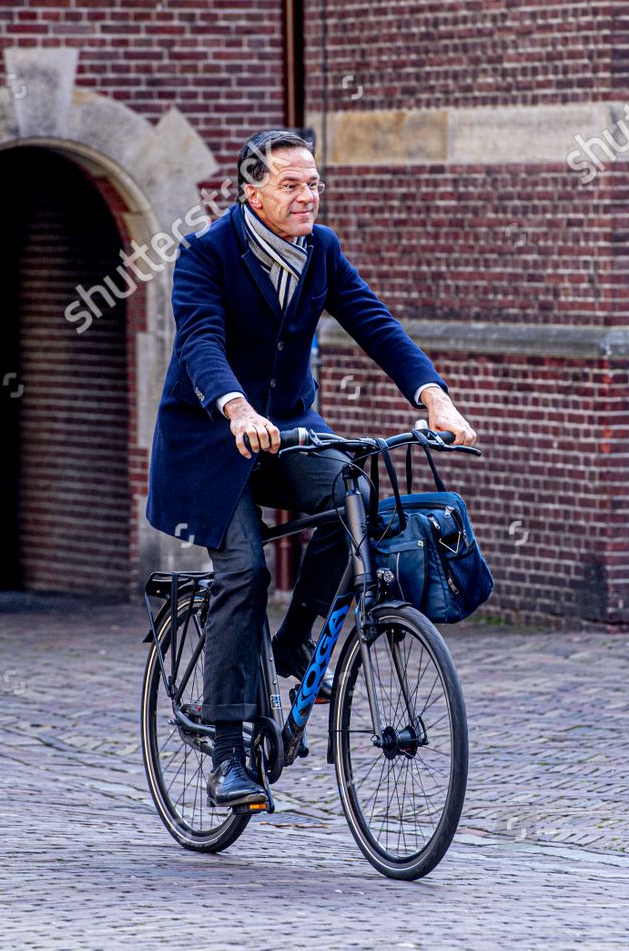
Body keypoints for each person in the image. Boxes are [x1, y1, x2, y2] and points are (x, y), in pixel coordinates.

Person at [146, 130, 476, 807]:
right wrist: (236, 409)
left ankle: (294, 648)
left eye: (314, 182)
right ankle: (230, 753)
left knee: (355, 493)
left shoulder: (320, 250)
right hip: (213, 443)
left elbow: (375, 323)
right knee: (243, 570)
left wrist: (433, 396)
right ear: (253, 193)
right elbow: (202, 342)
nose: (308, 196)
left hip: (290, 433)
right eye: (292, 185)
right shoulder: (204, 256)